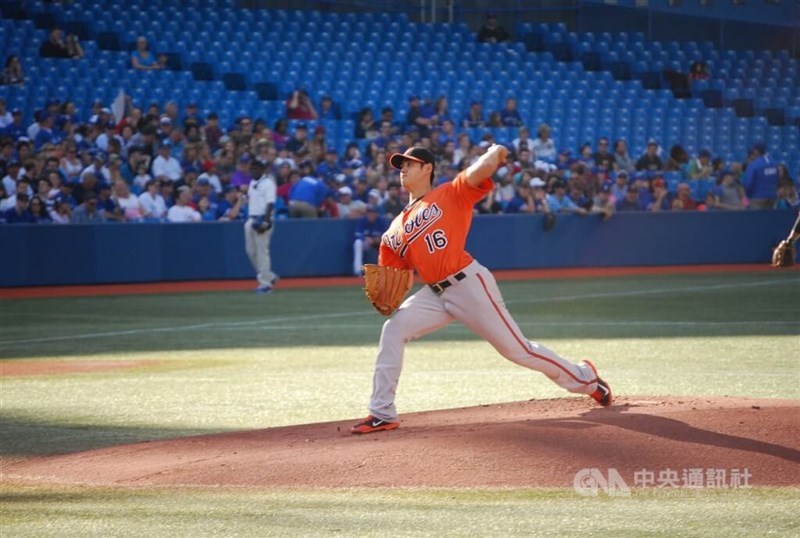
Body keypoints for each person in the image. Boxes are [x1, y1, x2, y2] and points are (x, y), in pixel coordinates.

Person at [350, 145, 611, 434]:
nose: (403, 169)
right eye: (400, 165)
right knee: (393, 329)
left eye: (410, 163)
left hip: (468, 284)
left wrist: (493, 154)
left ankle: (586, 379)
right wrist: (388, 292)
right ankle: (382, 412)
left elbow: (477, 173)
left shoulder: (450, 193)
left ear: (427, 169)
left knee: (518, 350)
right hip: (434, 294)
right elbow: (396, 276)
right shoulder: (394, 230)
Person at [245, 160, 278, 293]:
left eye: (256, 168)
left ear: (263, 169)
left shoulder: (268, 183)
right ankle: (269, 276)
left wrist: (266, 221)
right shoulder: (252, 182)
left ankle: (266, 284)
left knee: (262, 252)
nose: (253, 171)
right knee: (251, 252)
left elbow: (270, 203)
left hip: (262, 218)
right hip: (251, 218)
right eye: (251, 168)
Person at [352, 204, 389, 275]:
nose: (371, 215)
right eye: (369, 213)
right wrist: (365, 239)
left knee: (388, 244)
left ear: (376, 214)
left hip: (378, 242)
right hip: (366, 242)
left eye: (372, 213)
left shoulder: (382, 221)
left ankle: (387, 269)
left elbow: (387, 235)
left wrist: (376, 240)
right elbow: (357, 234)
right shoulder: (362, 221)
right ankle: (358, 270)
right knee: (358, 243)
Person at [742, 142, 779, 210]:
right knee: (770, 219)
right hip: (772, 197)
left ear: (756, 151)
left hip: (757, 198)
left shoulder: (754, 165)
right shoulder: (774, 164)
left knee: (756, 219)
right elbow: (777, 180)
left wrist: (747, 195)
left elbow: (747, 183)